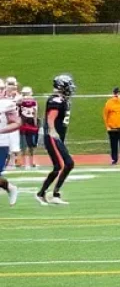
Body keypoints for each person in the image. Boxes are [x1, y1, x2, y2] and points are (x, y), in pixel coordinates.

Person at [36, 75, 76, 206]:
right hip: (53, 137)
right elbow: (51, 118)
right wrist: (53, 132)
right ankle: (53, 194)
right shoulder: (56, 100)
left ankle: (43, 193)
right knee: (67, 164)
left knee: (60, 166)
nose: (70, 88)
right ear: (61, 86)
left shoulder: (63, 100)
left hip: (57, 137)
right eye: (68, 85)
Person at [0, 87, 20, 206]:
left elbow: (16, 123)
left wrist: (2, 130)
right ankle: (10, 188)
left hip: (1, 142)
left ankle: (10, 188)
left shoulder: (7, 104)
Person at [17, 86, 39, 169]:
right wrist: (36, 123)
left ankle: (21, 162)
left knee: (22, 143)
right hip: (30, 123)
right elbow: (35, 113)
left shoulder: (19, 101)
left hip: (22, 122)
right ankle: (32, 162)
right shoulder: (34, 101)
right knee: (31, 144)